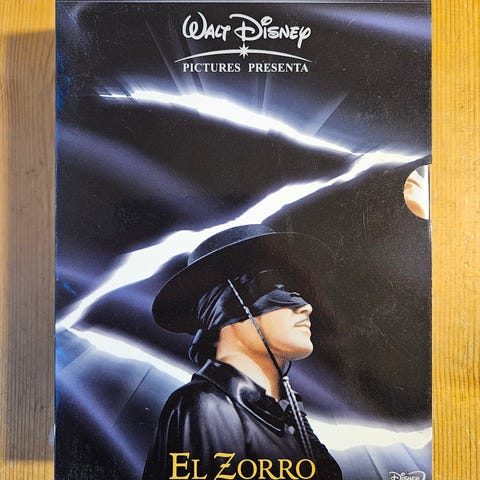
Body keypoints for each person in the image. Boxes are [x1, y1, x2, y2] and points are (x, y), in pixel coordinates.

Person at [143, 224, 342, 480]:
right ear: (228, 306)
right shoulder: (209, 406)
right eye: (278, 287)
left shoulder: (285, 418)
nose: (306, 307)